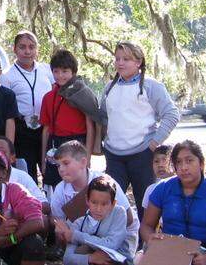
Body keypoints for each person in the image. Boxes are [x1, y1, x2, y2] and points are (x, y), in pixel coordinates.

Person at [99, 42, 179, 217]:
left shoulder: (151, 86)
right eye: (117, 59)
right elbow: (104, 117)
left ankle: (147, 243)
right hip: (114, 156)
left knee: (146, 205)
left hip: (142, 155)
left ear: (138, 62)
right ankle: (116, 242)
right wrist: (104, 141)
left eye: (126, 59)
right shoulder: (109, 87)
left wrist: (154, 142)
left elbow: (172, 114)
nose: (120, 63)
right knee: (111, 204)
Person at [141, 141, 206, 265]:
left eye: (189, 161)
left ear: (201, 163)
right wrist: (150, 239)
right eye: (179, 162)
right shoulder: (163, 188)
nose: (184, 167)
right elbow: (146, 226)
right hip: (169, 251)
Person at [48, 141, 137, 256]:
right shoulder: (60, 189)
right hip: (82, 239)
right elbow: (56, 219)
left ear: (83, 162)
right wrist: (60, 227)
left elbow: (129, 219)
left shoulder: (105, 182)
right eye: (58, 165)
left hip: (116, 240)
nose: (61, 169)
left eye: (66, 163)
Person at [0, 31, 53, 184]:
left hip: (46, 128)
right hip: (22, 131)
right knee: (27, 174)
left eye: (31, 47)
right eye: (22, 47)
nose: (27, 51)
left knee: (49, 169)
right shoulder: (7, 76)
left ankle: (50, 204)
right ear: (15, 49)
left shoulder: (47, 70)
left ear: (37, 50)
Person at [38, 50, 93, 191]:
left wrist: (88, 156)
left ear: (73, 72)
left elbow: (90, 125)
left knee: (78, 186)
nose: (60, 75)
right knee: (55, 186)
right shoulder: (48, 97)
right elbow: (46, 129)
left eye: (65, 71)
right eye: (56, 71)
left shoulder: (82, 93)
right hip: (55, 143)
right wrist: (43, 158)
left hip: (77, 144)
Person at [53, 176, 131, 265]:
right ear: (87, 200)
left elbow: (111, 245)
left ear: (113, 204)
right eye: (94, 202)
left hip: (119, 262)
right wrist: (90, 258)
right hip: (93, 261)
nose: (98, 209)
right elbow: (67, 258)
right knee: (83, 251)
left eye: (104, 204)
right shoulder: (79, 223)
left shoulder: (119, 213)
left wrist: (77, 236)